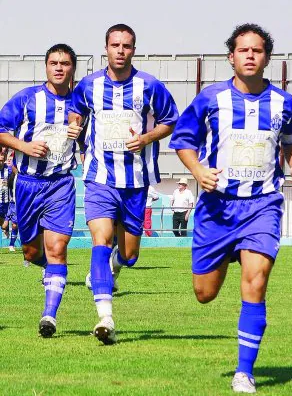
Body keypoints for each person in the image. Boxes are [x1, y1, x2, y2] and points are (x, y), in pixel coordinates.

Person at [169, 23, 292, 394]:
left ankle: (245, 372)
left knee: (256, 283)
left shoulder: (284, 103)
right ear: (231, 57)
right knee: (204, 293)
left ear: (267, 58)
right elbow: (183, 140)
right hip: (217, 209)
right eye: (243, 50)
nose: (250, 55)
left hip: (263, 205)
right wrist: (197, 170)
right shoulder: (211, 99)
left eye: (257, 50)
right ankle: (228, 253)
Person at [68, 23, 178, 345]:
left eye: (126, 46)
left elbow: (170, 120)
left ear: (133, 49)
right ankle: (106, 317)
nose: (120, 50)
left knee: (129, 256)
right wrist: (75, 126)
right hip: (100, 178)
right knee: (100, 240)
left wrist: (146, 137)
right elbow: (76, 112)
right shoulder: (88, 85)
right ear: (106, 48)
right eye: (115, 45)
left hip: (136, 181)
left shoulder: (150, 86)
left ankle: (113, 267)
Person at [0, 43, 77, 338]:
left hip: (61, 184)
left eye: (65, 63)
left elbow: (91, 137)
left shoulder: (80, 103)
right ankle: (50, 271)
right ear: (46, 66)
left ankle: (49, 316)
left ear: (72, 68)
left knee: (57, 249)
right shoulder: (27, 98)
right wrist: (24, 146)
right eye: (54, 63)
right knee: (32, 253)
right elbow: (1, 129)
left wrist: (80, 132)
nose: (59, 67)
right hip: (28, 184)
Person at [2, 162, 19, 253]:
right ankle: (6, 230)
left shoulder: (23, 177)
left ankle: (11, 244)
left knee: (15, 225)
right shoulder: (10, 176)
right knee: (4, 226)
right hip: (10, 203)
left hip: (19, 204)